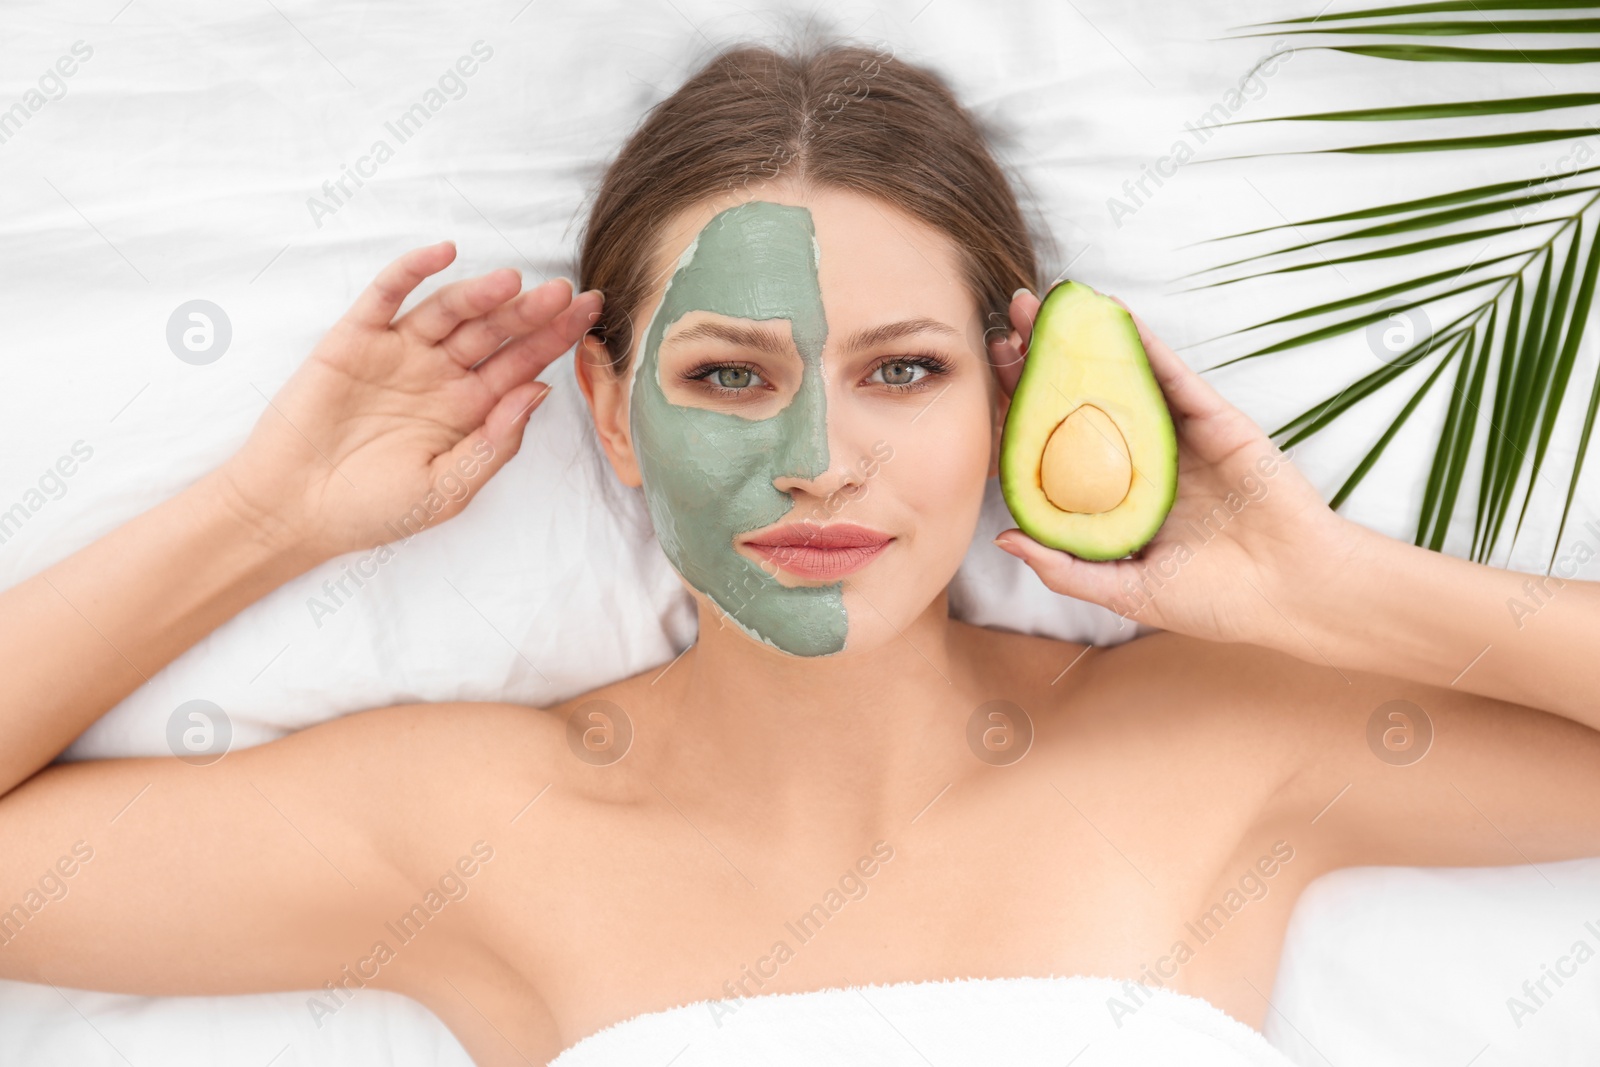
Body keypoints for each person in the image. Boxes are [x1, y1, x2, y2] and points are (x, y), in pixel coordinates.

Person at [1, 37, 1596, 1067]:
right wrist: (264, 519)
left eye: (903, 371)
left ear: (1009, 401)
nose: (818, 455)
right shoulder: (471, 829)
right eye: (728, 376)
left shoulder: (1214, 741)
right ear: (612, 416)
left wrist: (1329, 587)